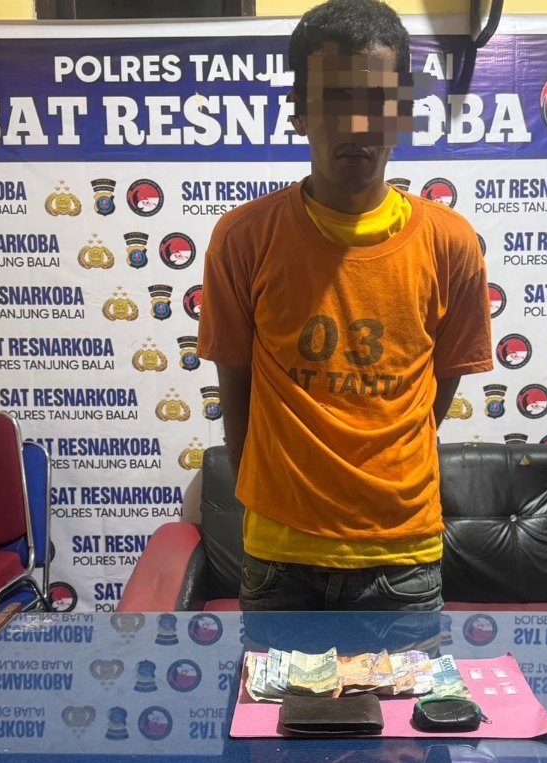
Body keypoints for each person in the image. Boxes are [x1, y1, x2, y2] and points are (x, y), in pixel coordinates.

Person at [197, 0, 493, 612]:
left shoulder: (451, 243)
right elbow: (236, 388)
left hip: (403, 557)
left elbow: (436, 391)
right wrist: (277, 494)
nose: (357, 123)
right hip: (280, 556)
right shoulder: (244, 238)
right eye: (334, 99)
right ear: (300, 113)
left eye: (378, 100)